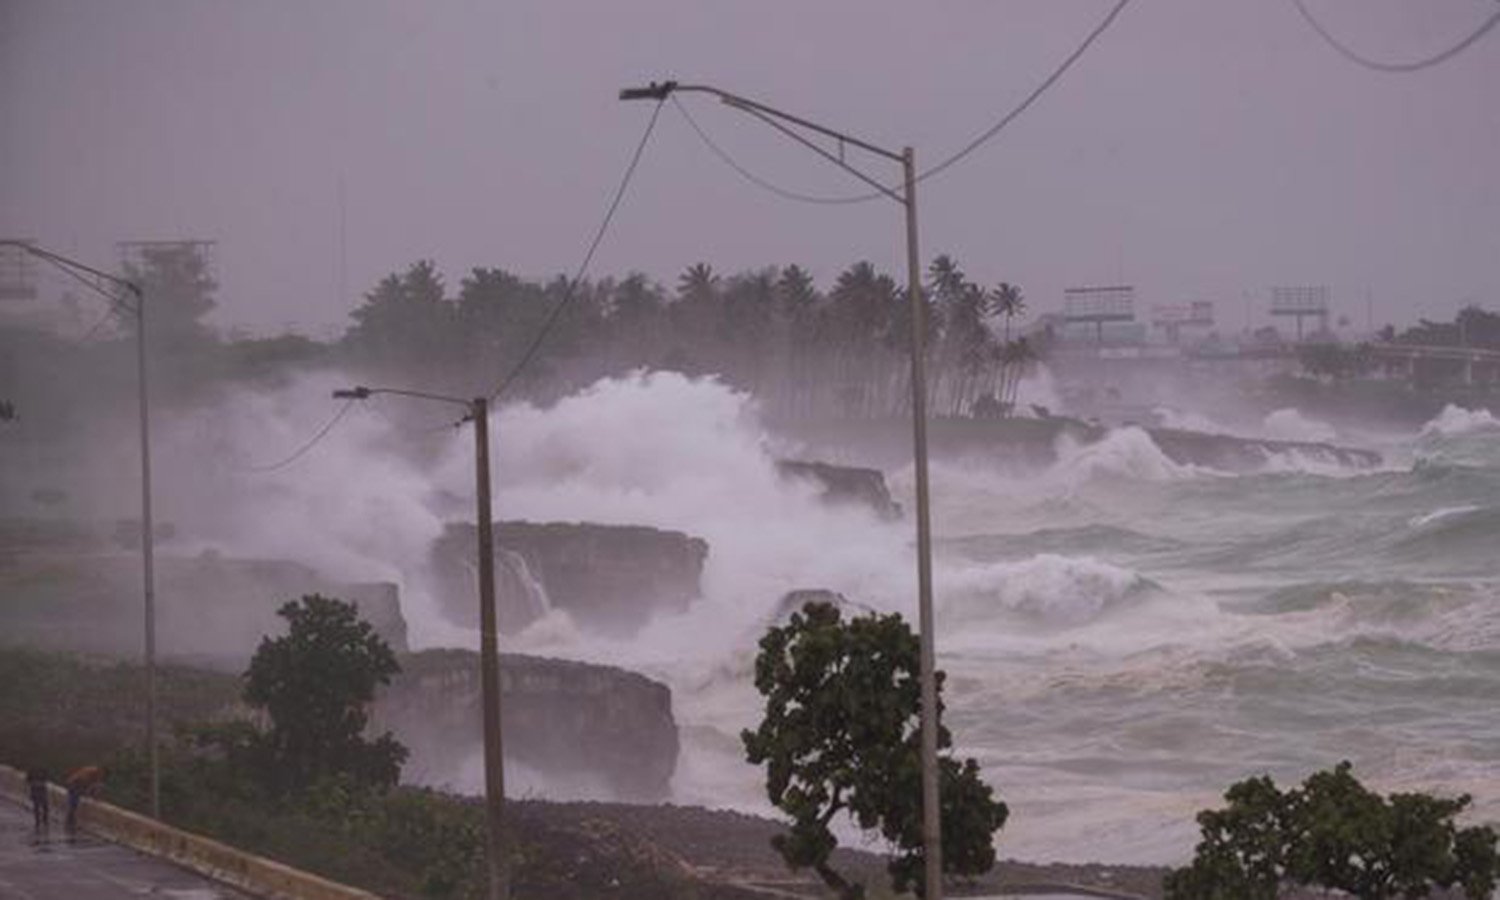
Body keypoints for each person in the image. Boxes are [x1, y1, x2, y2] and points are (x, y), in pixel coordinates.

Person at [63, 765, 105, 832]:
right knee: (73, 805)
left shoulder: (89, 773)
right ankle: (69, 822)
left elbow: (90, 787)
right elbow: (89, 786)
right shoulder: (88, 774)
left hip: (76, 786)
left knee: (73, 805)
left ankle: (70, 822)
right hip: (74, 787)